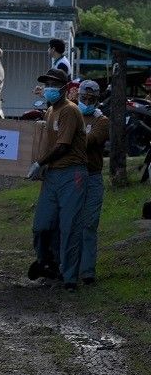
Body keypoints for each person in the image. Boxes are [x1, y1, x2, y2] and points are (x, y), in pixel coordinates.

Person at [27, 68, 88, 291]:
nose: (49, 88)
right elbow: (47, 142)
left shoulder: (69, 111)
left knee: (69, 226)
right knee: (42, 225)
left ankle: (70, 277)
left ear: (64, 88)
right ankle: (47, 262)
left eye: (54, 84)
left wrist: (39, 163)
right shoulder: (51, 110)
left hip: (72, 174)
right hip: (52, 174)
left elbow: (63, 146)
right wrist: (41, 165)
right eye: (47, 84)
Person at [76, 80, 108, 285]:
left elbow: (90, 140)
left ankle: (87, 271)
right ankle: (66, 267)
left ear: (97, 100)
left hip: (93, 176)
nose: (87, 102)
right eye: (84, 98)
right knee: (68, 223)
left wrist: (69, 135)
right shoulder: (72, 113)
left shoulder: (101, 120)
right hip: (72, 175)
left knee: (89, 223)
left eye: (91, 99)